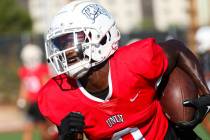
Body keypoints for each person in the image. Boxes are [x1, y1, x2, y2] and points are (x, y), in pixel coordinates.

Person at [37, 0, 210, 140]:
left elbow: (177, 48)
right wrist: (66, 137)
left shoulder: (134, 61)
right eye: (61, 44)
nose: (66, 52)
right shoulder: (57, 95)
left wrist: (205, 91)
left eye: (72, 40)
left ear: (103, 36)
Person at [17, 44, 57, 140]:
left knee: (44, 129)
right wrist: (21, 99)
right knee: (27, 128)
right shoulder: (23, 70)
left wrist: (49, 102)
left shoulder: (42, 69)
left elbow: (46, 85)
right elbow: (24, 86)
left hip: (41, 103)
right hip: (32, 103)